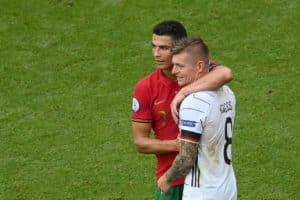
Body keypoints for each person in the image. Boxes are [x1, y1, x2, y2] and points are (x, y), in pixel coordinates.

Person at [132, 20, 233, 200]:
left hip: (201, 181)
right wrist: (178, 144)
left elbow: (225, 74)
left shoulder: (199, 72)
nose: (156, 54)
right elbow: (140, 142)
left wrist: (184, 92)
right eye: (153, 47)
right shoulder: (146, 87)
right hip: (176, 181)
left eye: (164, 48)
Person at [157, 37, 237, 200]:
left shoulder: (193, 103)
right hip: (228, 187)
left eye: (180, 66)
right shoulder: (227, 92)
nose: (174, 71)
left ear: (199, 66)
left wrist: (166, 179)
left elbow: (186, 159)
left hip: (202, 192)